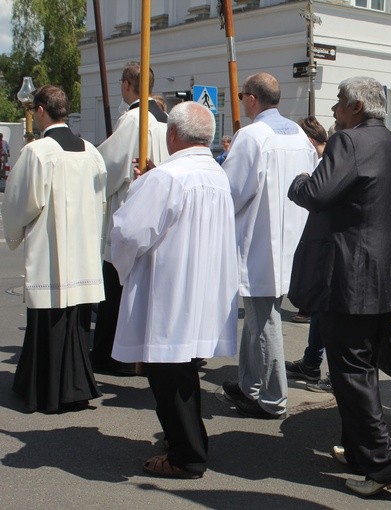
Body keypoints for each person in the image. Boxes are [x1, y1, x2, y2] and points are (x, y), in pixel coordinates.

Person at [288, 76, 391, 497]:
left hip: (352, 281)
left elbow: (318, 193)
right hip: (385, 282)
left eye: (339, 102)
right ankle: (361, 451)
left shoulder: (349, 142)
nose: (334, 110)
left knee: (352, 374)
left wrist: (299, 181)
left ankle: (384, 464)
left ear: (357, 106)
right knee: (363, 371)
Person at [110, 101, 239, 479]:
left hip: (170, 288)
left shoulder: (166, 178)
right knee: (182, 370)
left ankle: (187, 455)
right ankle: (182, 441)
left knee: (169, 374)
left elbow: (129, 233)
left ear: (171, 135)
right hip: (202, 285)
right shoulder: (215, 174)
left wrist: (139, 190)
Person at [2, 85, 106, 413]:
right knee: (75, 322)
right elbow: (101, 201)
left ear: (42, 110)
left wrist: (14, 232)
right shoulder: (91, 151)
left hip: (51, 251)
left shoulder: (38, 152)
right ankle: (74, 387)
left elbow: (19, 201)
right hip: (84, 252)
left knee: (48, 321)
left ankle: (44, 389)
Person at [221, 73, 317, 419]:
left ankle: (274, 397)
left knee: (264, 320)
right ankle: (250, 386)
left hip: (261, 242)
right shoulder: (300, 136)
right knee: (259, 317)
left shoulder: (252, 136)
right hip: (293, 239)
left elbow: (230, 193)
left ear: (250, 100)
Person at [92, 61, 169, 376]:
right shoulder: (168, 121)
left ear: (126, 85)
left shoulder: (134, 121)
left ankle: (117, 357)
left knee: (119, 290)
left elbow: (104, 171)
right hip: (162, 217)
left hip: (132, 214)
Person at [285, 116, 332, 390]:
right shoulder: (328, 161)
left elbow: (313, 195)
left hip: (328, 246)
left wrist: (303, 179)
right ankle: (311, 363)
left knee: (327, 312)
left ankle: (325, 370)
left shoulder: (330, 163)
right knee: (319, 310)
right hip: (319, 241)